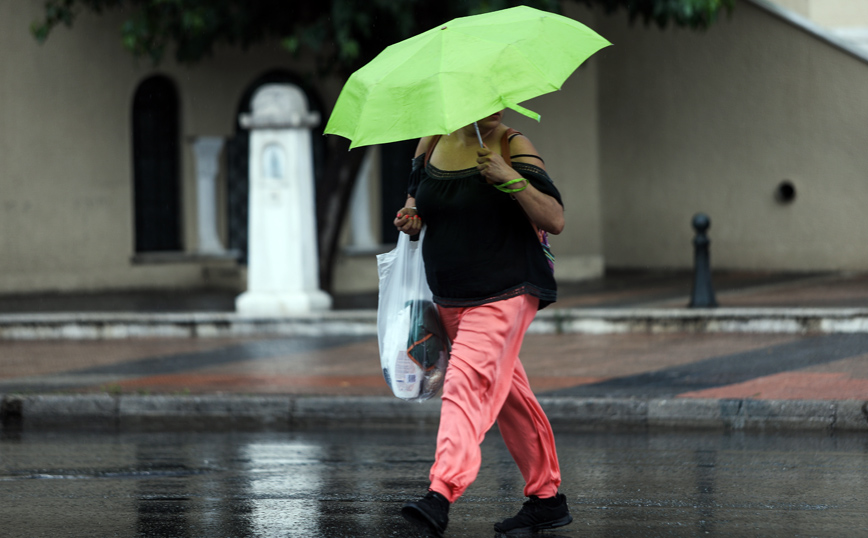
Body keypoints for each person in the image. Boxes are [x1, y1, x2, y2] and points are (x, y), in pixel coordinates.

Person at [395, 110, 570, 537]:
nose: (489, 105)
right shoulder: (432, 142)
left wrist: (509, 178)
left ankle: (441, 492)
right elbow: (417, 200)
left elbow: (554, 218)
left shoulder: (513, 144)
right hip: (450, 297)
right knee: (509, 395)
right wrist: (411, 216)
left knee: (464, 383)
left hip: (505, 291)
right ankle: (547, 498)